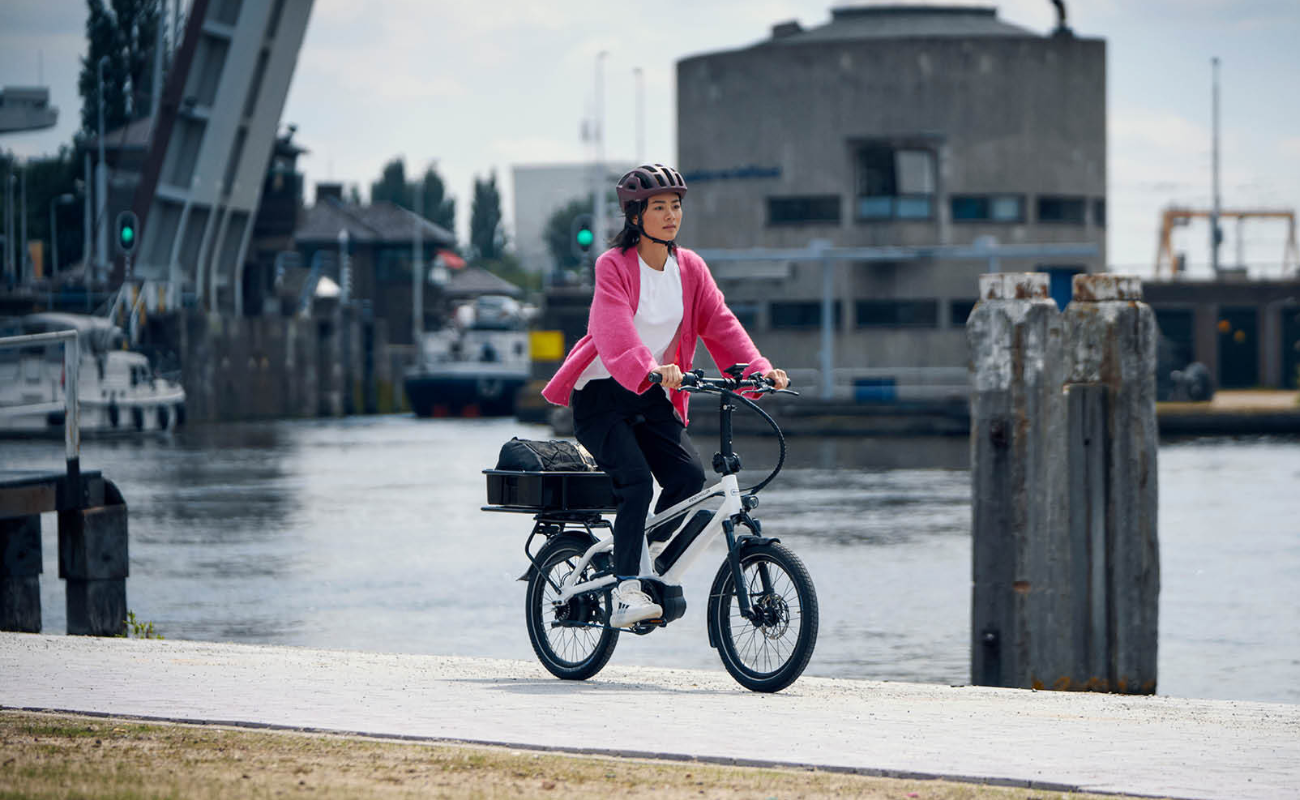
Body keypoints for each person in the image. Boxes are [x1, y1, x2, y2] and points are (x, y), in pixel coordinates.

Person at [542, 163, 788, 627]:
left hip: (653, 392)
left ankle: (645, 555)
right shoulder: (612, 266)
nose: (672, 215)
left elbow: (721, 324)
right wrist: (652, 370)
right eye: (659, 207)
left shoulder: (689, 268)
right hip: (602, 393)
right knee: (635, 482)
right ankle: (625, 590)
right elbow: (612, 332)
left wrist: (758, 372)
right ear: (636, 215)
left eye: (676, 205)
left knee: (688, 477)